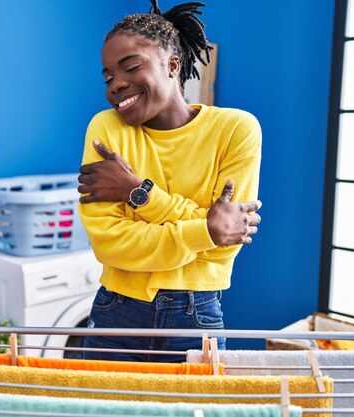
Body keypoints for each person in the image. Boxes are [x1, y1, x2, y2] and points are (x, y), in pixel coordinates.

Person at [77, 1, 262, 362]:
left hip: (195, 318)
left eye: (130, 67)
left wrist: (138, 194)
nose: (115, 85)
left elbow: (225, 245)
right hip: (116, 312)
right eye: (108, 76)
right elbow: (110, 243)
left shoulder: (236, 130)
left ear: (172, 65)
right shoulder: (106, 128)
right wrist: (203, 229)